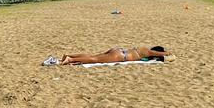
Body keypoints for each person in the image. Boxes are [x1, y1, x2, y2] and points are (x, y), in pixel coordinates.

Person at [42, 45, 172, 66]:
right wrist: (167, 54)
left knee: (94, 56)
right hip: (120, 57)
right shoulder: (147, 52)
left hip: (119, 50)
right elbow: (166, 54)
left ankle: (69, 55)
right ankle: (69, 59)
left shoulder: (141, 48)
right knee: (94, 59)